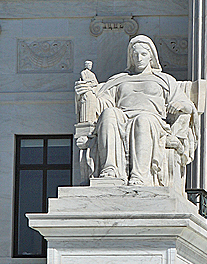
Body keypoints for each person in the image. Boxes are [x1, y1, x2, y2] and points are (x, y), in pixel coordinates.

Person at [74, 35, 200, 188]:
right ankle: (110, 170)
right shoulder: (119, 80)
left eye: (143, 54)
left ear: (151, 56)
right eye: (135, 54)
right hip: (123, 117)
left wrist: (180, 104)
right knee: (109, 114)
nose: (139, 58)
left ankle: (140, 176)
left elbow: (188, 107)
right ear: (131, 57)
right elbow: (102, 104)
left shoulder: (165, 80)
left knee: (143, 120)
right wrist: (86, 92)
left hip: (153, 120)